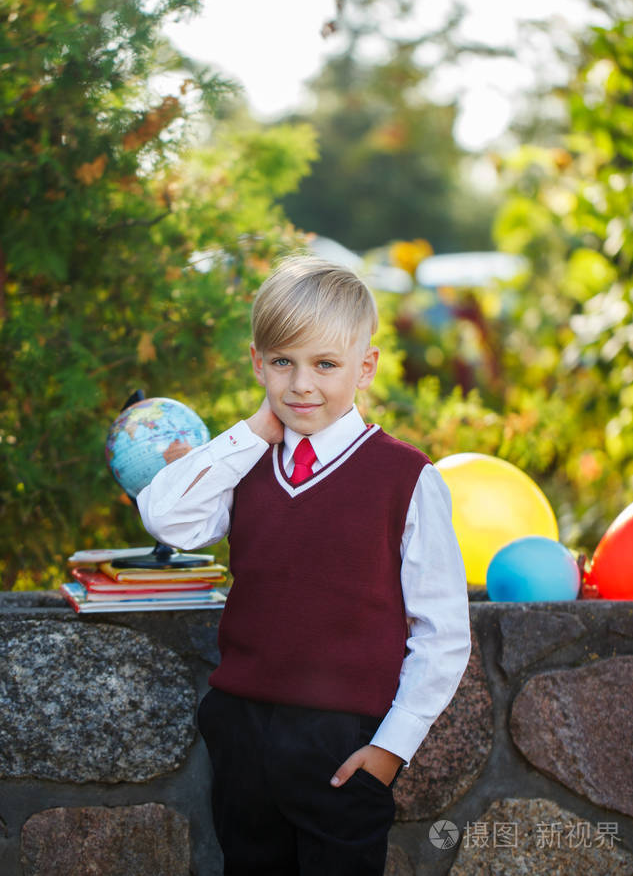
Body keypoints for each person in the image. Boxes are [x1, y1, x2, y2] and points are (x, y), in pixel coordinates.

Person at [138, 254, 471, 876]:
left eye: (325, 364)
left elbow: (443, 632)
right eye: (283, 363)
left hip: (344, 742)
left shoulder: (405, 477)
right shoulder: (245, 464)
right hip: (242, 730)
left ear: (364, 367)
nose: (302, 386)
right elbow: (165, 517)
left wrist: (390, 749)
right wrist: (250, 432)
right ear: (258, 362)